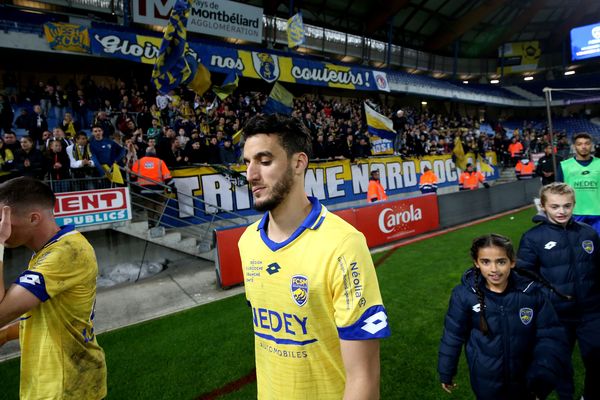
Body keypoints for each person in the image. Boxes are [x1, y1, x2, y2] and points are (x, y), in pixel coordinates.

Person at [238, 114, 390, 400]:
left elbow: (365, 377)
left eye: (264, 161)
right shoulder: (247, 242)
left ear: (298, 163)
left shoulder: (344, 244)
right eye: (247, 162)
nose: (251, 175)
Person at [0, 177, 107, 399]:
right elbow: (53, 318)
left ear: (33, 218)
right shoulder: (52, 249)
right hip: (60, 380)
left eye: (2, 218)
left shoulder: (64, 254)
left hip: (64, 385)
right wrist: (8, 334)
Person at [438, 234, 570, 400]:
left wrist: (542, 379)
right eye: (486, 262)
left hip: (527, 382)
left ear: (512, 262)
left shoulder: (532, 293)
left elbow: (550, 337)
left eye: (501, 261)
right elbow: (453, 335)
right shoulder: (463, 295)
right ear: (476, 263)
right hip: (485, 381)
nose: (494, 269)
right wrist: (446, 371)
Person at [517, 183, 600, 399]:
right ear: (543, 206)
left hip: (591, 312)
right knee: (560, 363)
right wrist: (549, 298)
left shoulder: (589, 233)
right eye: (555, 206)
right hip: (556, 315)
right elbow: (524, 277)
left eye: (567, 206)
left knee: (597, 359)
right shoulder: (532, 238)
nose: (561, 211)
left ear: (574, 205)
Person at [557, 133, 600, 234]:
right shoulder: (564, 165)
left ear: (592, 145)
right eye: (579, 144)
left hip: (597, 212)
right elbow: (558, 191)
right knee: (576, 245)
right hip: (574, 213)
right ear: (574, 146)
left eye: (587, 143)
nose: (583, 146)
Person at [130, 147, 173, 226]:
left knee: (149, 204)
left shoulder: (139, 162)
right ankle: (160, 221)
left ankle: (151, 222)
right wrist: (171, 188)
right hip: (158, 189)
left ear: (146, 152)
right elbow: (167, 177)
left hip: (144, 190)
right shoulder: (160, 162)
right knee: (159, 203)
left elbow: (132, 177)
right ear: (155, 153)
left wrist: (136, 190)